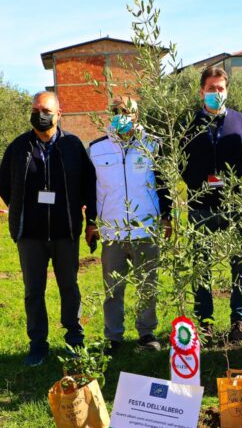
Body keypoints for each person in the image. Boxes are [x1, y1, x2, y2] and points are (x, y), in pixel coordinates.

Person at [0, 91, 97, 366]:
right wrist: (22, 209)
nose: (40, 114)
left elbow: (89, 186)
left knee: (69, 287)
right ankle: (38, 344)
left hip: (66, 233)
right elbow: (3, 185)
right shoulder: (18, 148)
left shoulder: (73, 146)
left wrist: (91, 222)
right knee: (33, 291)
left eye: (46, 110)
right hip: (30, 236)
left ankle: (74, 339)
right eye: (35, 109)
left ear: (58, 115)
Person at [88, 97, 171, 354]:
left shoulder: (153, 145)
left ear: (137, 115)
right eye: (115, 111)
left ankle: (146, 334)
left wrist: (168, 217)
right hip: (112, 231)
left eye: (125, 111)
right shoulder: (96, 148)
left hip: (145, 229)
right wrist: (91, 222)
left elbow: (163, 184)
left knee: (147, 284)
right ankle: (113, 337)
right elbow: (91, 190)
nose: (120, 115)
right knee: (113, 287)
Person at [182, 66, 242, 344]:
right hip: (199, 206)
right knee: (201, 266)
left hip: (234, 205)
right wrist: (198, 184)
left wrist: (231, 183)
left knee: (240, 265)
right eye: (211, 88)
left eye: (220, 88)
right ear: (202, 91)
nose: (216, 93)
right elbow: (179, 160)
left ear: (227, 90)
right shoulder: (188, 121)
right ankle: (206, 324)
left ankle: (239, 322)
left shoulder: (238, 120)